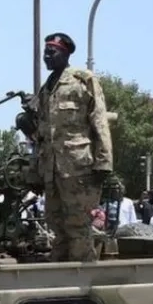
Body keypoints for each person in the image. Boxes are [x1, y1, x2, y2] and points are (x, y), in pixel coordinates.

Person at [35, 32, 113, 262]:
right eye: (45, 52)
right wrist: (35, 171)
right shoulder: (45, 89)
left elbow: (99, 120)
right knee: (56, 227)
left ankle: (84, 282)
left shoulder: (82, 80)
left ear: (65, 53)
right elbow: (41, 135)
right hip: (52, 171)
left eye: (52, 52)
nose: (46, 57)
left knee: (78, 227)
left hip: (78, 169)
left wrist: (104, 162)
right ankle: (60, 281)